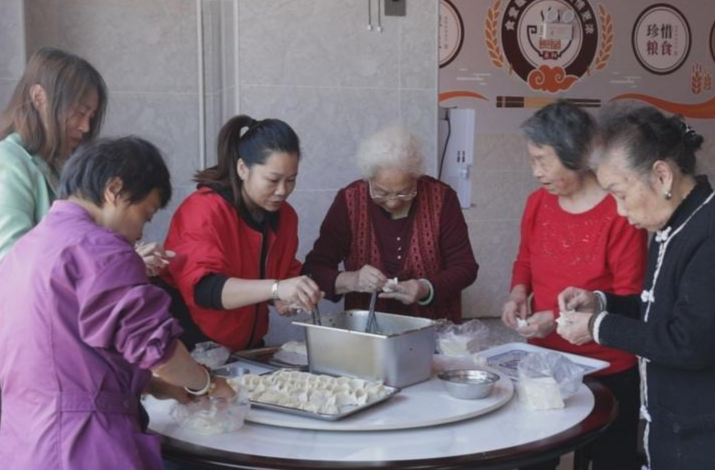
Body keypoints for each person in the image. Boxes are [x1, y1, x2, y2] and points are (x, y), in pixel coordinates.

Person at [0, 137, 235, 470]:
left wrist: (156, 386)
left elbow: (67, 355)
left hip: (23, 442)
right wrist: (206, 383)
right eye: (146, 213)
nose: (140, 232)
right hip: (82, 445)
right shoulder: (102, 250)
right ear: (114, 190)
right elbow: (159, 351)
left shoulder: (27, 250)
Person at [557, 106, 715, 470]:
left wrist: (598, 328)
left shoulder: (706, 231)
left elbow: (688, 343)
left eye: (620, 194)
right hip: (671, 429)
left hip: (700, 439)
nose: (620, 211)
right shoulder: (673, 222)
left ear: (662, 175)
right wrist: (600, 302)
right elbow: (660, 311)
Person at [501, 101, 648, 470]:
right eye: (532, 160)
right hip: (544, 359)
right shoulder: (538, 204)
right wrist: (518, 292)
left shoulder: (619, 211)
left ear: (574, 155)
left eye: (542, 160)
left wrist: (559, 317)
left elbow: (631, 296)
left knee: (611, 460)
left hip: (605, 365)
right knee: (532, 456)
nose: (536, 172)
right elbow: (526, 261)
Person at [0, 46, 172, 272]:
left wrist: (128, 257)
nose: (86, 127)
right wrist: (122, 263)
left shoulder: (61, 166)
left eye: (91, 116)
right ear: (39, 97)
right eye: (80, 113)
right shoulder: (9, 162)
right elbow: (11, 263)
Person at [160, 115, 322, 351]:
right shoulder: (204, 210)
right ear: (243, 168)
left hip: (247, 347)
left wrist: (286, 295)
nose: (282, 191)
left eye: (291, 180)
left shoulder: (285, 217)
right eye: (273, 179)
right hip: (193, 346)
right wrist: (276, 288)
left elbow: (280, 273)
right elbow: (204, 289)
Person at [302, 126, 478, 323]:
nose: (393, 202)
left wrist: (424, 288)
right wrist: (352, 280)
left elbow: (465, 267)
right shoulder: (350, 201)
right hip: (367, 330)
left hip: (433, 328)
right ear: (368, 179)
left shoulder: (441, 198)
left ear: (416, 179)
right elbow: (314, 269)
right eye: (381, 192)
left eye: (404, 192)